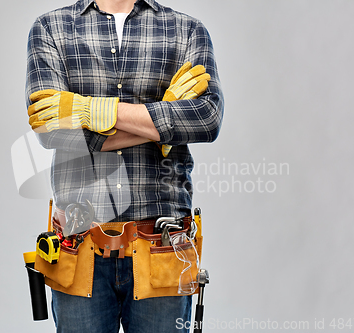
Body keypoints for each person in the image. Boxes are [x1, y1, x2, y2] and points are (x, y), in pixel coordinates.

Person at [25, 0, 224, 332]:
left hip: (162, 246)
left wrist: (89, 110)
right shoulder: (50, 28)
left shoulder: (188, 31)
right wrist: (163, 117)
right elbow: (53, 131)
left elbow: (206, 119)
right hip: (79, 246)